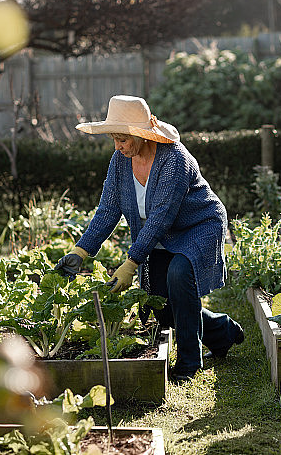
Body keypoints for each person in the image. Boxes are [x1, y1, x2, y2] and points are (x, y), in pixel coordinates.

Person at [54, 94, 244, 382]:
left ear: (142, 135)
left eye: (123, 139)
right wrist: (80, 252)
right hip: (158, 233)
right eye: (114, 139)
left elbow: (160, 217)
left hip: (197, 226)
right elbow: (107, 210)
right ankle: (223, 332)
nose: (117, 146)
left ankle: (190, 364)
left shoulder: (174, 159)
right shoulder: (120, 161)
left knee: (179, 274)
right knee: (160, 302)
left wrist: (131, 263)